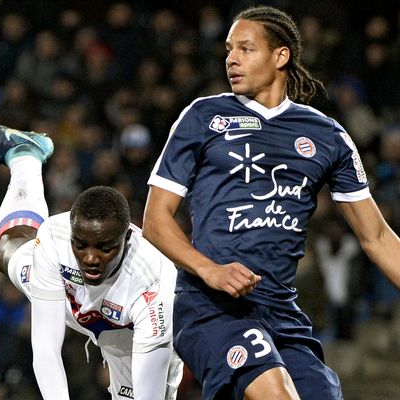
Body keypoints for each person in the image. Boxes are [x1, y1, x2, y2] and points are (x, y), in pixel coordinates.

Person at [142, 5, 400, 400]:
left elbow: (377, 236)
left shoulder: (326, 136)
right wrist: (209, 270)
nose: (231, 59)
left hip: (281, 312)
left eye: (245, 48)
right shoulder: (204, 117)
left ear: (281, 56)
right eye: (229, 49)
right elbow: (156, 220)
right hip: (210, 306)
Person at [0, 122, 182, 399]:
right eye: (81, 245)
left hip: (130, 334)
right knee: (6, 252)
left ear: (126, 241)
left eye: (104, 248)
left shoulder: (154, 287)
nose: (90, 258)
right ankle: (25, 155)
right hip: (70, 295)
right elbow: (46, 349)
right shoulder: (56, 238)